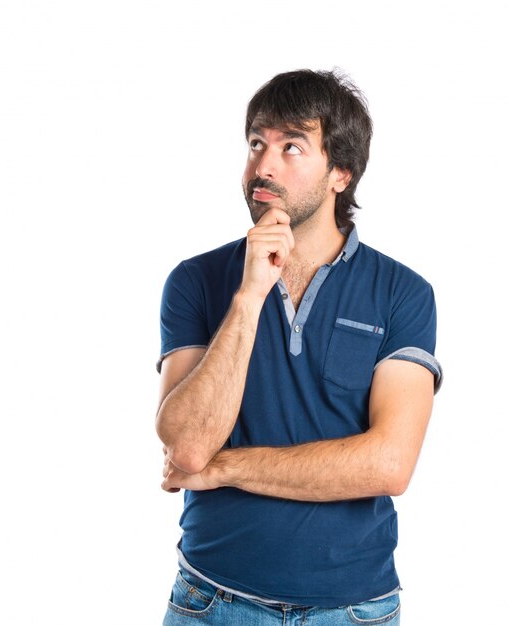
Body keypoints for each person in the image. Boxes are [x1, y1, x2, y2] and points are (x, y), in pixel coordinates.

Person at [156, 68, 442, 625]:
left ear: (340, 172)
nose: (263, 165)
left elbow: (389, 464)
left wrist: (226, 469)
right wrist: (248, 295)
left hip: (353, 609)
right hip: (212, 600)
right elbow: (188, 449)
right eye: (257, 143)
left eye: (292, 146)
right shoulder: (195, 282)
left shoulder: (402, 293)